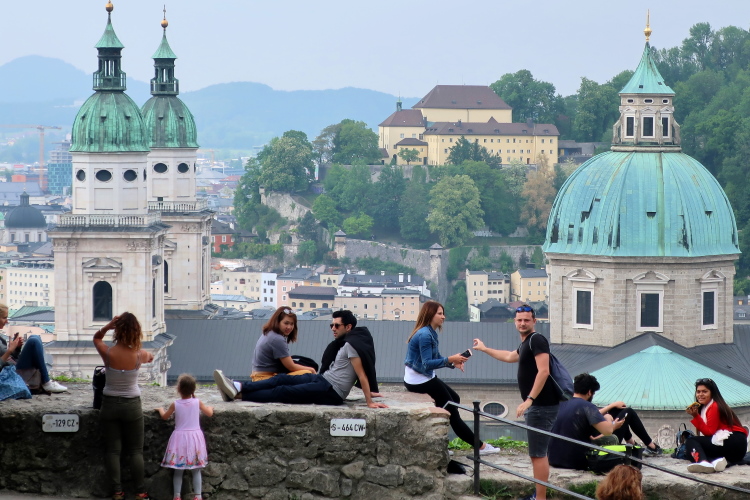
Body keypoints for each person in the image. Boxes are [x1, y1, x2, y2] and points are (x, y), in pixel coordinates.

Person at [214, 310, 387, 409]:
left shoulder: (352, 345)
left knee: (283, 391)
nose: (333, 328)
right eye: (331, 325)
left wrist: (369, 401)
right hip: (324, 380)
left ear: (348, 327)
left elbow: (361, 374)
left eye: (336, 325)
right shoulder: (349, 342)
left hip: (331, 391)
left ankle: (240, 394)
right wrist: (370, 392)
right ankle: (237, 385)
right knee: (281, 379)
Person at [473, 304, 558, 500]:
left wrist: (529, 400)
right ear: (514, 322)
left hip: (541, 406)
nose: (522, 323)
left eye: (526, 320)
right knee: (537, 453)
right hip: (539, 405)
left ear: (534, 321)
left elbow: (544, 371)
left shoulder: (537, 340)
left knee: (538, 454)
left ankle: (540, 498)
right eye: (519, 320)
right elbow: (510, 356)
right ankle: (539, 495)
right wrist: (485, 349)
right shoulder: (527, 343)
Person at [404, 301, 498, 455]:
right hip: (419, 380)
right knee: (452, 410)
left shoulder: (430, 332)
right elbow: (427, 364)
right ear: (430, 315)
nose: (443, 317)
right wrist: (450, 359)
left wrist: (453, 362)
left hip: (423, 377)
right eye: (439, 313)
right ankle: (480, 447)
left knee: (454, 399)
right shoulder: (425, 335)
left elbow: (436, 358)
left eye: (443, 313)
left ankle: (441, 442)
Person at [93, 313, 155, 500]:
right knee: (136, 451)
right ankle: (140, 492)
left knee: (113, 451)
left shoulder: (108, 353)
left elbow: (96, 338)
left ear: (117, 331)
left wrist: (108, 325)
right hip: (131, 405)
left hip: (109, 404)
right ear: (136, 331)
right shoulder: (139, 355)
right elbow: (150, 357)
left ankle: (117, 491)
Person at [549, 373, 661, 470]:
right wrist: (611, 422)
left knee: (617, 412)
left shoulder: (562, 404)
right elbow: (608, 431)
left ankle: (633, 444)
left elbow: (588, 415)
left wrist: (610, 407)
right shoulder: (588, 406)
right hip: (578, 461)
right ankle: (651, 447)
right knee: (628, 412)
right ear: (589, 392)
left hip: (554, 458)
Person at [155, 374, 214, 500]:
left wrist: (160, 409)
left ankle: (177, 496)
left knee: (178, 469)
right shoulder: (197, 402)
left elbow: (165, 417)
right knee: (196, 470)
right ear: (194, 389)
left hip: (179, 439)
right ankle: (198, 496)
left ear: (178, 389)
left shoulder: (175, 404)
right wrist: (210, 407)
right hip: (194, 439)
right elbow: (209, 413)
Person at [685, 378, 748, 473]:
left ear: (712, 393)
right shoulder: (708, 406)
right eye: (698, 392)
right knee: (693, 451)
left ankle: (703, 462)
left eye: (704, 391)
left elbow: (709, 432)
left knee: (691, 441)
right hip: (737, 448)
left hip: (732, 441)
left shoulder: (714, 406)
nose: (700, 394)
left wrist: (696, 416)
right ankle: (718, 462)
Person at [0, 303, 67, 393]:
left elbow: (10, 358)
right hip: (8, 374)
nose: (7, 321)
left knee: (35, 337)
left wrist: (17, 348)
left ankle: (46, 381)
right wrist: (10, 350)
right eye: (4, 318)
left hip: (13, 367)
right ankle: (46, 382)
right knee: (33, 341)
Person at [251, 307, 316, 381]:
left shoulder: (269, 333)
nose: (289, 327)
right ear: (277, 322)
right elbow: (291, 367)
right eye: (286, 323)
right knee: (308, 373)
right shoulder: (277, 339)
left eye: (292, 324)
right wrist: (312, 370)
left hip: (258, 376)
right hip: (265, 378)